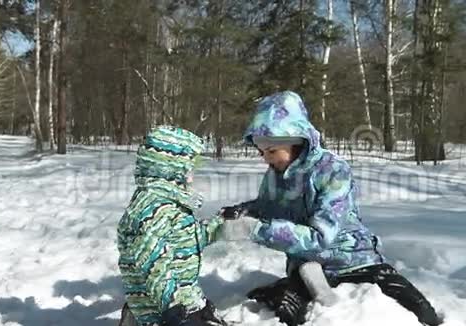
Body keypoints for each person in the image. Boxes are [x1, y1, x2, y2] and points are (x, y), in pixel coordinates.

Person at [220, 91, 442, 326]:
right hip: (305, 264)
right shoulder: (275, 175)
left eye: (271, 151)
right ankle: (308, 283)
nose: (266, 159)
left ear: (296, 140)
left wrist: (255, 230)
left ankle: (318, 283)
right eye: (261, 152)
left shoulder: (332, 171)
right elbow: (267, 207)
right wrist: (242, 212)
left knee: (422, 314)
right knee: (283, 315)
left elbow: (321, 237)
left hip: (355, 262)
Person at [117, 126, 227, 326]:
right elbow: (151, 261)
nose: (193, 174)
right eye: (191, 166)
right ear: (171, 169)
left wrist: (220, 226)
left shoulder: (171, 203)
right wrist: (173, 304)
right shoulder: (151, 208)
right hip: (162, 309)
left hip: (184, 298)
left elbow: (183, 241)